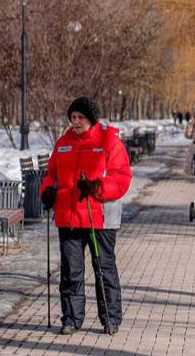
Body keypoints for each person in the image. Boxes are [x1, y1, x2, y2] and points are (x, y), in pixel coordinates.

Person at [40, 97, 132, 336]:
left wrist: (96, 188)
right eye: (73, 118)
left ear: (91, 118)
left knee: (103, 267)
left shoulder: (108, 141)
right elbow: (51, 175)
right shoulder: (63, 143)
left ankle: (110, 318)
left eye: (80, 117)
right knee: (71, 270)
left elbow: (122, 177)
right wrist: (47, 191)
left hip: (99, 217)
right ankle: (71, 318)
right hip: (68, 217)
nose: (76, 122)